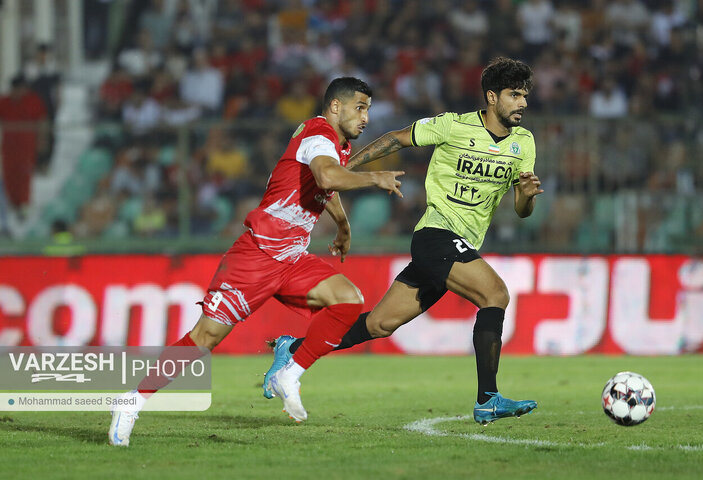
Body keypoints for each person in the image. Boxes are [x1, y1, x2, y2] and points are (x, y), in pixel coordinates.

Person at [108, 77, 404, 446]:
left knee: (347, 298)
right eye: (360, 108)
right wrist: (374, 176)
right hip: (258, 255)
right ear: (334, 107)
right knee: (204, 339)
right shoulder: (316, 134)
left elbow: (324, 187)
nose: (366, 117)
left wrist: (343, 226)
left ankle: (290, 371)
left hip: (292, 257)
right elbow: (327, 176)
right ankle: (132, 400)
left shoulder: (337, 146)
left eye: (368, 110)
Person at [264, 57, 543, 425]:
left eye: (524, 96)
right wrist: (348, 168)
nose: (522, 103)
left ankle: (293, 348)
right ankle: (488, 399)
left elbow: (522, 210)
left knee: (379, 325)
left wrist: (526, 194)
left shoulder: (524, 143)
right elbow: (395, 138)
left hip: (463, 244)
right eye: (514, 95)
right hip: (436, 235)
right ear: (492, 97)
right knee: (495, 295)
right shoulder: (452, 126)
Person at [0, 75, 48, 220]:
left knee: (24, 175)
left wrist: (43, 141)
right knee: (9, 175)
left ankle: (24, 205)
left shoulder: (33, 101)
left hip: (26, 145)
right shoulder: (4, 102)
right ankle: (12, 204)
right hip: (9, 146)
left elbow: (42, 121)